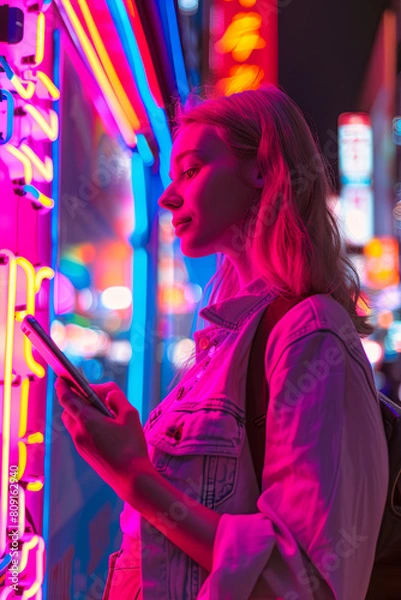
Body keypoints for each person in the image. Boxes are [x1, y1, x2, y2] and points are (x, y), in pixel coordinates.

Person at [55, 84, 389, 599]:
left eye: (190, 170)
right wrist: (128, 454)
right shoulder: (230, 339)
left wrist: (134, 476)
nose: (168, 196)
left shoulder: (310, 333)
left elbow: (302, 579)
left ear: (261, 167)